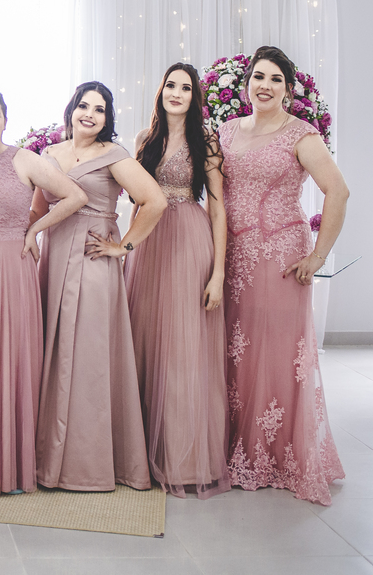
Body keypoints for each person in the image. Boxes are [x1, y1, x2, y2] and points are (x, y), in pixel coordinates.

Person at [219, 45, 348, 505]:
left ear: (288, 89)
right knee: (233, 349)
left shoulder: (301, 134)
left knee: (273, 352)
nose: (265, 85)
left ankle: (273, 456)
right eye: (259, 76)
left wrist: (317, 256)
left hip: (279, 257)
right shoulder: (227, 131)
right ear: (246, 83)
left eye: (276, 79)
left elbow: (338, 191)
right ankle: (231, 448)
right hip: (231, 255)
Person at [0, 86, 87, 495]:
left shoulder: (25, 159)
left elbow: (75, 196)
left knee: (9, 360)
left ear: (5, 120)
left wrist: (35, 229)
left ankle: (7, 465)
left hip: (11, 270)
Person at [31, 81, 164, 492]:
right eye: (84, 106)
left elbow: (154, 200)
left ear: (107, 119)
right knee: (53, 352)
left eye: (99, 109)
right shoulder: (49, 154)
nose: (89, 114)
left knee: (88, 357)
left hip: (93, 259)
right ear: (71, 110)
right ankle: (46, 456)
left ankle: (86, 463)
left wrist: (123, 247)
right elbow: (37, 210)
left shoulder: (114, 155)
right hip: (54, 258)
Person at [125, 64, 230, 498]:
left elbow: (218, 209)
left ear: (194, 98)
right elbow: (135, 198)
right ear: (161, 91)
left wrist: (218, 273)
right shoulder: (143, 140)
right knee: (145, 340)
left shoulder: (206, 140)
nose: (177, 92)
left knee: (183, 348)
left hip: (188, 240)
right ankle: (139, 455)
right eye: (171, 85)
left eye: (186, 88)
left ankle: (181, 459)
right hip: (148, 243)